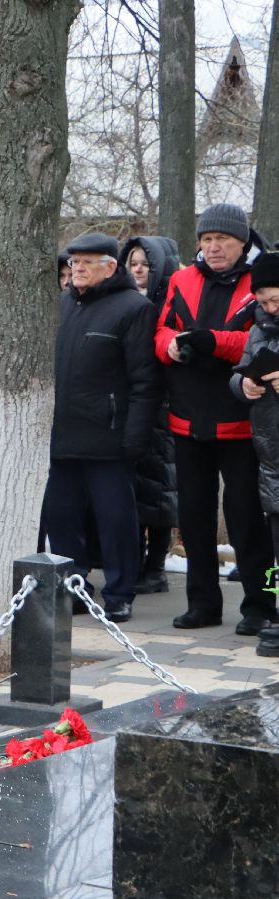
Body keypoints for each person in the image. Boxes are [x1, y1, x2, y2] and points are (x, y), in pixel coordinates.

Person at [155, 203, 275, 633]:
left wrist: (213, 342)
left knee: (245, 517)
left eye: (222, 239)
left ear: (242, 241)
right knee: (194, 517)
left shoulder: (259, 282)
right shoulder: (181, 279)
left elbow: (259, 340)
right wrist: (169, 345)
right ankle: (202, 604)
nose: (213, 247)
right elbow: (163, 327)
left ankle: (260, 607)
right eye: (206, 240)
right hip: (187, 417)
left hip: (241, 420)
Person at [43, 234, 159, 621]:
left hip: (109, 436)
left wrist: (135, 436)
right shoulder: (60, 306)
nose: (77, 268)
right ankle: (75, 586)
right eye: (74, 262)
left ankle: (120, 590)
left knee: (116, 520)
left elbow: (145, 380)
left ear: (111, 267)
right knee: (60, 517)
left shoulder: (134, 308)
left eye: (87, 262)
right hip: (62, 434)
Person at [119, 236, 181, 594]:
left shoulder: (167, 304)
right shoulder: (125, 302)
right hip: (130, 403)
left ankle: (155, 566)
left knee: (159, 491)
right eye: (133, 263)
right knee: (133, 490)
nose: (139, 269)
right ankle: (137, 560)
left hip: (163, 405)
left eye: (145, 264)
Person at [233, 251, 279, 655]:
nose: (269, 309)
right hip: (271, 457)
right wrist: (242, 386)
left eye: (277, 300)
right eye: (263, 301)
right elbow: (241, 372)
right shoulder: (258, 330)